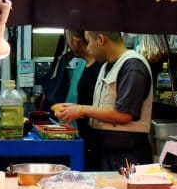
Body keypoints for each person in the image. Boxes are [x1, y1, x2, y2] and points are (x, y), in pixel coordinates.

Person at [56, 31, 153, 171]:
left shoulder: (133, 66)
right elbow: (103, 108)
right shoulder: (106, 67)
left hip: (127, 158)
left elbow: (124, 114)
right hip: (105, 155)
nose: (87, 48)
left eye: (89, 42)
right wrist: (77, 110)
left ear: (101, 39)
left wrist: (83, 110)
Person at [63, 30, 104, 170]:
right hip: (84, 140)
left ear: (75, 41)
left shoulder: (101, 68)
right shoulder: (84, 65)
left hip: (97, 142)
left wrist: (80, 110)